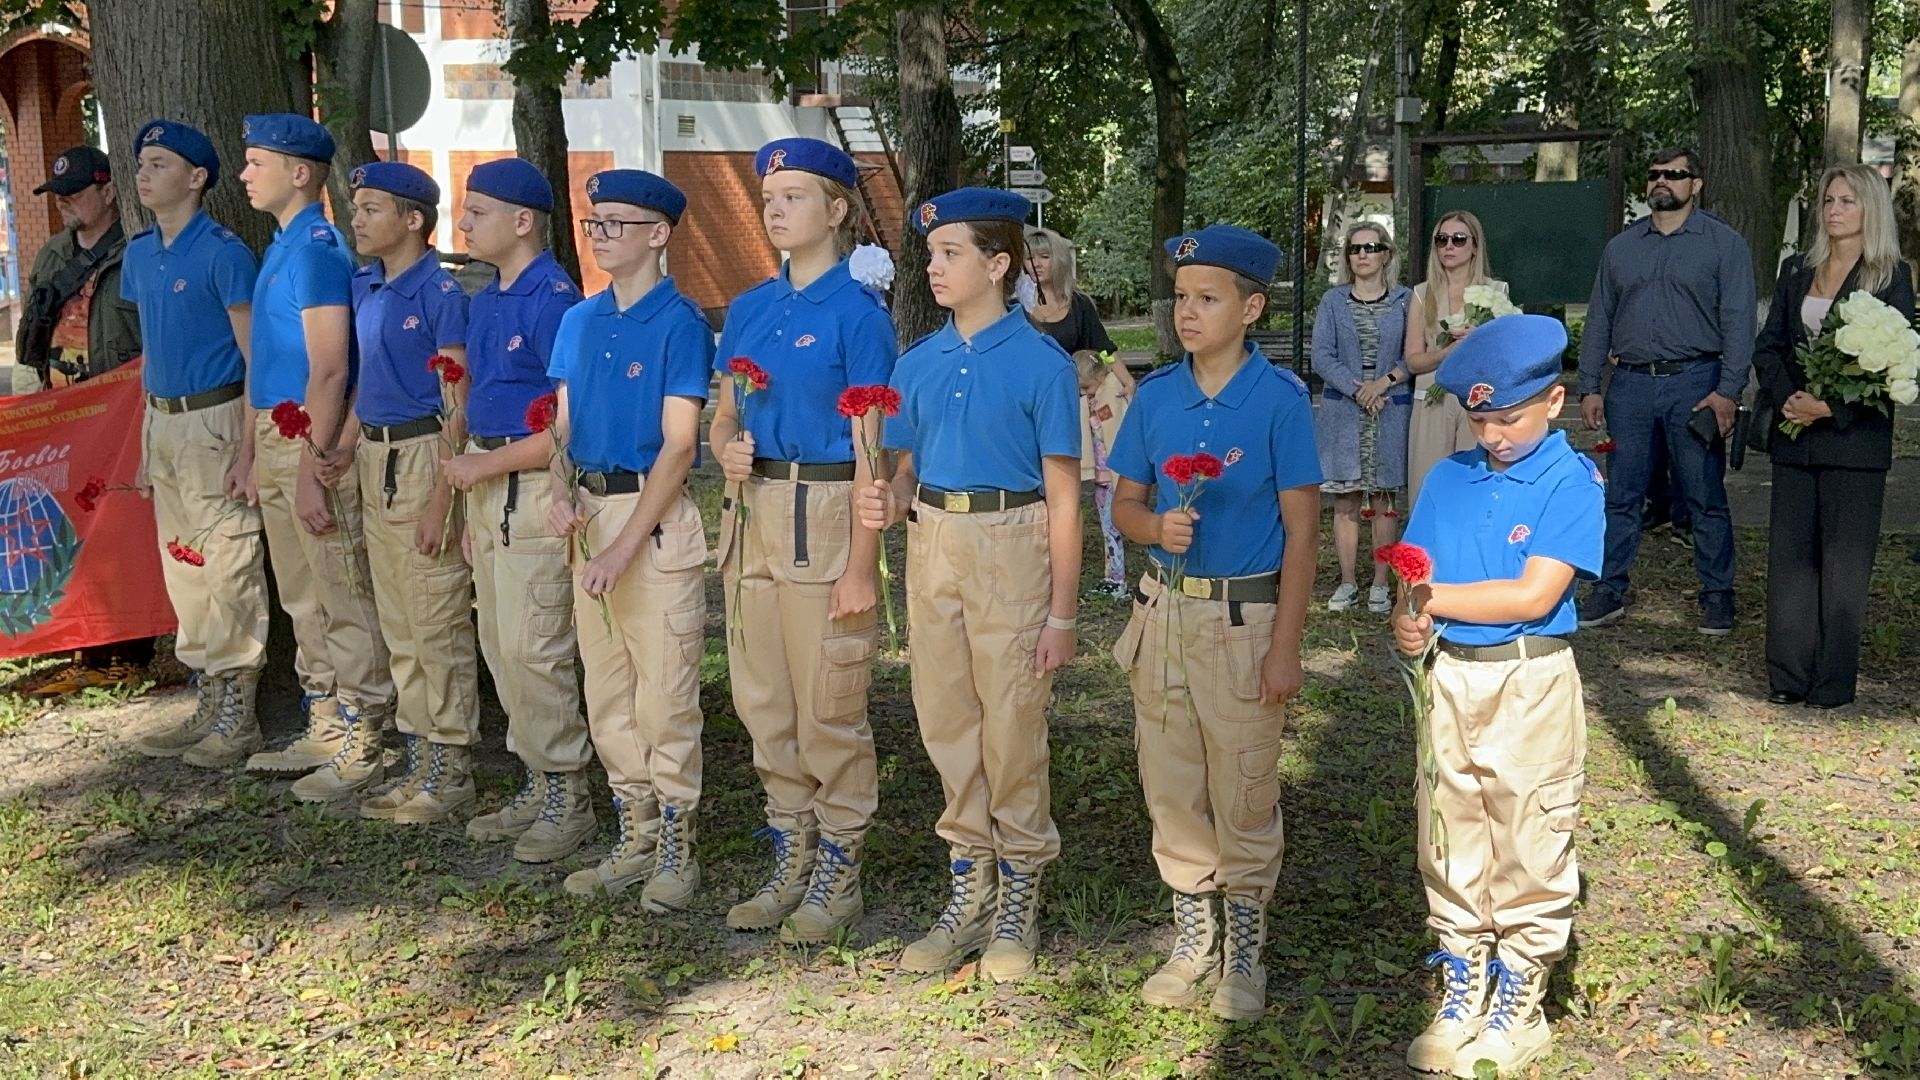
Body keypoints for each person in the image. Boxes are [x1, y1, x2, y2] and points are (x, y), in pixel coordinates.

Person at [856, 188, 1081, 981]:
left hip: (1011, 542)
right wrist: (892, 496)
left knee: (1011, 719)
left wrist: (1061, 613)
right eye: (930, 254)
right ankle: (970, 880)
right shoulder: (917, 362)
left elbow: (1063, 495)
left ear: (998, 264)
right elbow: (908, 465)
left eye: (952, 253)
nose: (935, 267)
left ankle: (1020, 884)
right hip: (934, 544)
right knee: (945, 713)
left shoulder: (1042, 365)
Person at [1108, 225, 1321, 1020]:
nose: (1187, 313)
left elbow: (1303, 532)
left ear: (1252, 307)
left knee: (1242, 782)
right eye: (1181, 298)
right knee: (1170, 781)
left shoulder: (1279, 402)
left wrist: (1286, 647)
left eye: (1208, 298)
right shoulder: (1157, 395)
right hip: (1163, 615)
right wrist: (1151, 529)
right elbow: (1125, 503)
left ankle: (1245, 948)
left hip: (1243, 622)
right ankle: (1192, 936)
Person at [1391, 314, 1603, 1078]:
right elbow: (1412, 580)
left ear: (1554, 399)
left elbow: (1532, 593)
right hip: (1452, 678)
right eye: (1479, 420)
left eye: (1508, 418)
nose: (1493, 435)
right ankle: (1462, 987)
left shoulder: (1570, 480)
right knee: (1450, 830)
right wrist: (1410, 622)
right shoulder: (1449, 479)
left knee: (1529, 835)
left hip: (1529, 680)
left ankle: (1521, 1001)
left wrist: (1432, 598)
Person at [710, 138, 894, 942]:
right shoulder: (750, 306)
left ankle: (839, 868)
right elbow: (722, 412)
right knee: (763, 698)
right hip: (752, 512)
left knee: (829, 701)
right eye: (770, 196)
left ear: (837, 211)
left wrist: (862, 566)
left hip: (825, 512)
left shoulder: (859, 315)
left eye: (792, 195)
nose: (774, 208)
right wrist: (724, 446)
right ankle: (791, 849)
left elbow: (877, 455)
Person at [548, 170, 713, 909]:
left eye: (616, 222)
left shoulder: (680, 324)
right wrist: (558, 492)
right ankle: (635, 829)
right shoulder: (579, 321)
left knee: (664, 693)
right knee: (606, 688)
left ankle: (678, 845)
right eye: (594, 223)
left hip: (648, 525)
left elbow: (679, 448)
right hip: (587, 516)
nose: (601, 235)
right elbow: (561, 427)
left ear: (658, 234)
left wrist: (620, 547)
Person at [234, 113, 395, 782]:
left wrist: (310, 468)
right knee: (302, 591)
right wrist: (249, 451)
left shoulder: (317, 250)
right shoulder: (282, 246)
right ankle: (327, 718)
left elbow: (329, 368)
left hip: (309, 435)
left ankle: (370, 730)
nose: (243, 174)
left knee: (340, 586)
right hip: (276, 430)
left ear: (299, 174)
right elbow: (264, 360)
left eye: (255, 162)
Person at [444, 158, 596, 864]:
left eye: (477, 211)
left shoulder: (552, 299)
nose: (464, 223)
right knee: (501, 644)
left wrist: (483, 466)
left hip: (531, 488)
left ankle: (569, 790)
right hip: (490, 491)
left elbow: (568, 425)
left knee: (537, 646)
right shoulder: (487, 296)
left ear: (523, 221)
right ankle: (538, 778)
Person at [120, 120, 270, 759]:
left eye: (158, 163)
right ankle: (207, 690)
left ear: (197, 177)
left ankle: (239, 706)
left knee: (228, 558)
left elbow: (254, 356)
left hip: (216, 418)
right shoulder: (138, 253)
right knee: (183, 560)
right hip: (165, 420)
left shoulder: (224, 252)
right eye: (141, 164)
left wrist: (249, 448)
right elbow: (153, 346)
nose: (143, 173)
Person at [344, 161, 482, 821]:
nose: (358, 218)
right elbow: (363, 379)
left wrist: (441, 499)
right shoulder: (365, 284)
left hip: (426, 453)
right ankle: (421, 753)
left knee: (434, 612)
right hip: (376, 455)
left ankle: (451, 765)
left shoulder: (442, 294)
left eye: (372, 207)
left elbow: (458, 400)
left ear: (414, 220)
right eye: (356, 206)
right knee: (398, 616)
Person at [1752, 165, 1915, 711]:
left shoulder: (1891, 275)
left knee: (1844, 567)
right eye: (1827, 200)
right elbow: (1770, 345)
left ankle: (1832, 682)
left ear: (1870, 209)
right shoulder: (1798, 269)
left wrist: (1832, 406)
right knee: (1791, 559)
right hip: (1796, 436)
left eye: (1847, 200)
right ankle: (1788, 674)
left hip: (1854, 442)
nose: (1834, 209)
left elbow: (1895, 359)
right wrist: (1791, 399)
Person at [1576, 146, 1754, 635]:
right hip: (1630, 385)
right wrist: (1589, 385)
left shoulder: (1724, 244)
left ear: (1695, 185)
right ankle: (1608, 589)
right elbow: (1600, 319)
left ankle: (1717, 595)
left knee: (1703, 495)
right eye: (1655, 174)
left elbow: (1739, 322)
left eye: (1674, 175)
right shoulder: (1622, 247)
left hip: (1696, 383)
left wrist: (1728, 391)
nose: (1662, 181)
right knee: (1622, 496)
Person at [15, 144, 154, 694]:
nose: (66, 205)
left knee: (123, 530)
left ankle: (132, 650)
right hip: (64, 420)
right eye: (59, 197)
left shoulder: (138, 255)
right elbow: (35, 335)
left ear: (109, 190)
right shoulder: (52, 256)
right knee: (69, 530)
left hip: (118, 419)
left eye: (75, 194)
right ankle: (86, 649)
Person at [1312, 221, 1413, 615]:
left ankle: (1380, 584)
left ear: (1386, 253)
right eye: (1355, 249)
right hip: (1345, 410)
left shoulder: (1407, 300)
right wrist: (1359, 389)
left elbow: (1414, 352)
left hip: (1390, 407)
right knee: (1347, 500)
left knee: (1386, 500)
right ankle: (1348, 581)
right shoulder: (1333, 301)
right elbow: (1321, 355)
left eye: (1371, 247)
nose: (1363, 255)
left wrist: (1383, 384)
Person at [1402, 210, 1506, 509]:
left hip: (1479, 401)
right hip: (1432, 399)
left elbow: (1505, 356)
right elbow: (1413, 361)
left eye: (1458, 239)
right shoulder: (1422, 294)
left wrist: (1479, 342)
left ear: (1474, 245)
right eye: (1441, 239)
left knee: (1476, 489)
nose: (1448, 246)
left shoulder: (1496, 292)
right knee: (1427, 491)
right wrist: (1445, 354)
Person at [1076, 349, 1133, 600]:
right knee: (1106, 528)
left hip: (1113, 477)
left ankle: (1118, 581)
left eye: (1086, 387)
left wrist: (1091, 412)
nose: (1084, 394)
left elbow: (1112, 425)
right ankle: (1111, 576)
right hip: (1102, 477)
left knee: (1112, 527)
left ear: (1100, 377)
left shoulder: (1111, 394)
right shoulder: (1093, 399)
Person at [1025, 227, 1118, 357]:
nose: (1036, 264)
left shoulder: (1080, 304)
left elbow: (1105, 351)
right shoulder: (1014, 306)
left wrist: (1129, 378)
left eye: (1044, 257)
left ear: (1060, 260)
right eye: (1029, 258)